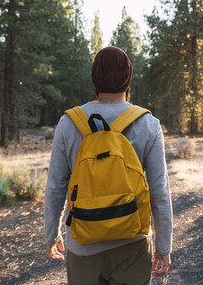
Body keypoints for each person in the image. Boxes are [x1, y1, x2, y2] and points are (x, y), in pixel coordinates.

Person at [44, 46, 173, 285]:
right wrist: (164, 246)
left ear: (94, 77)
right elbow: (159, 191)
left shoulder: (69, 123)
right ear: (128, 78)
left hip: (83, 245)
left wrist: (51, 234)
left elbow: (55, 187)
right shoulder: (148, 124)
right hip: (132, 243)